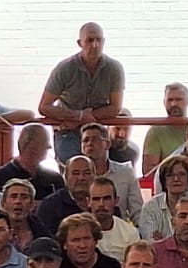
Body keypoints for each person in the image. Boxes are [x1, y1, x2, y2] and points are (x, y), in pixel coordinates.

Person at [37, 22, 126, 163]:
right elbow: (44, 106)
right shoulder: (65, 68)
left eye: (99, 40)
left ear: (104, 42)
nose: (95, 45)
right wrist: (77, 116)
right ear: (80, 43)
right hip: (67, 131)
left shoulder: (114, 68)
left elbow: (116, 107)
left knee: (102, 167)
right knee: (73, 167)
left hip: (96, 130)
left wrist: (82, 119)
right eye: (90, 40)